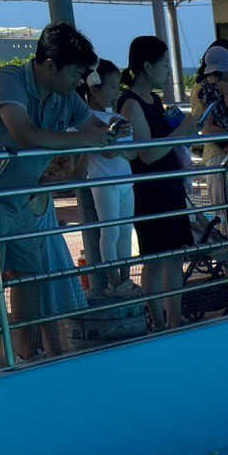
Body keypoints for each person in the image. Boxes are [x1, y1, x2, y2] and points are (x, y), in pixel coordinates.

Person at [0, 21, 109, 361]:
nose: (78, 83)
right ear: (50, 65)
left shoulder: (64, 95)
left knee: (29, 276)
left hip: (20, 195)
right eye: (74, 74)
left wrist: (113, 129)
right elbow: (24, 133)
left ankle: (27, 355)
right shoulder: (8, 81)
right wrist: (87, 138)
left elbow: (95, 128)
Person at [117, 34, 211, 330]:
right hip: (150, 190)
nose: (168, 71)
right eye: (164, 65)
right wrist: (181, 129)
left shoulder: (152, 100)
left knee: (174, 257)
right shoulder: (131, 104)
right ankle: (159, 320)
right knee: (156, 259)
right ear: (147, 66)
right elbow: (147, 153)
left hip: (168, 186)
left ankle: (173, 318)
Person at [75, 58, 135, 297]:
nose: (116, 92)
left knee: (125, 230)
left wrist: (116, 141)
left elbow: (131, 152)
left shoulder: (117, 119)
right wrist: (113, 138)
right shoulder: (85, 118)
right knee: (110, 231)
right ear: (94, 88)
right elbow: (107, 150)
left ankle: (125, 277)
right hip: (104, 181)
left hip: (123, 180)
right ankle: (114, 281)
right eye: (112, 87)